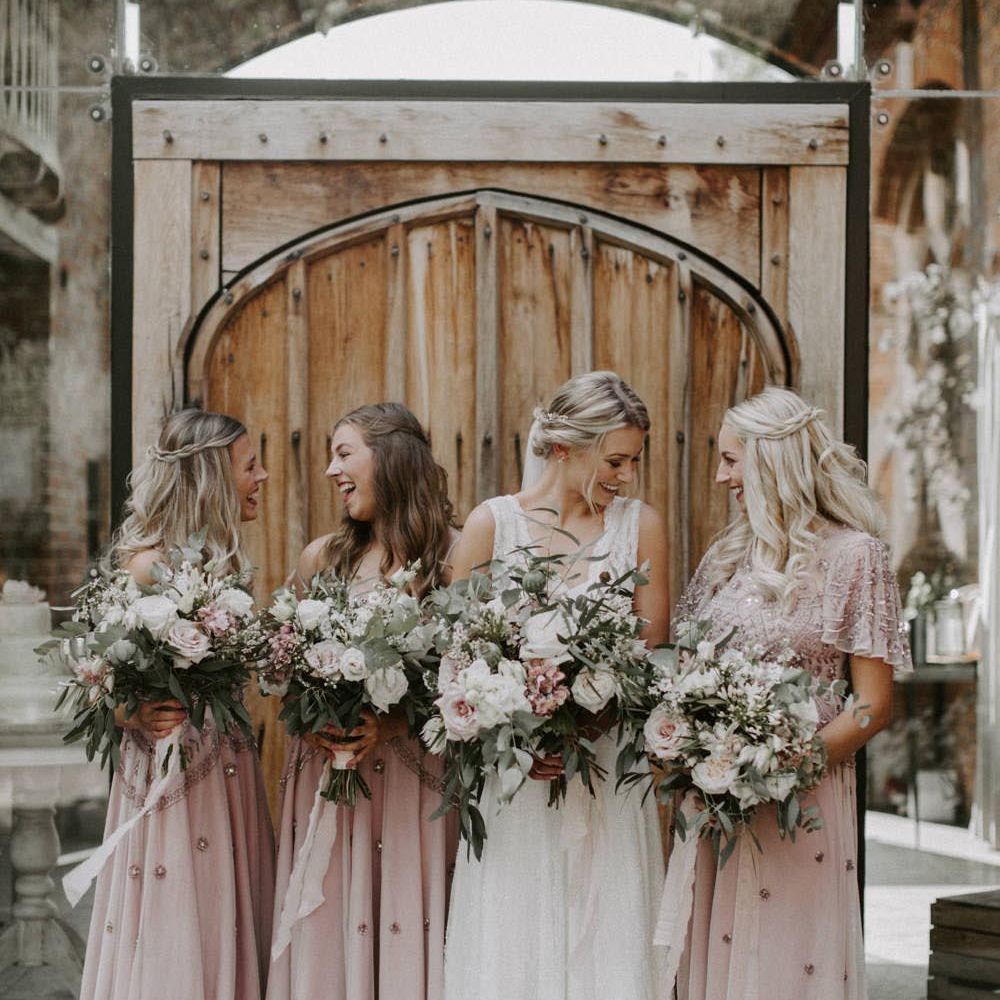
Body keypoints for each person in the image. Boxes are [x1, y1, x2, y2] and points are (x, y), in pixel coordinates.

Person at [673, 386, 911, 1000]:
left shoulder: (857, 558)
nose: (721, 476)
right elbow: (683, 670)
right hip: (717, 802)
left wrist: (781, 768)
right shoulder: (727, 556)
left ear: (772, 462)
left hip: (803, 799)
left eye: (731, 460)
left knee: (787, 960)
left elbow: (872, 704)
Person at [444, 371, 670, 1000]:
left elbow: (652, 653)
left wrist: (588, 718)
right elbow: (456, 655)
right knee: (515, 932)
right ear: (566, 448)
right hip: (517, 777)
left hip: (603, 770)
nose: (625, 476)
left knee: (608, 931)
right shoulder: (492, 525)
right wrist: (512, 727)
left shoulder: (639, 526)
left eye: (633, 462)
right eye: (616, 460)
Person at [79, 408, 275, 1000]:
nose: (262, 476)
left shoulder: (222, 567)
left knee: (224, 906)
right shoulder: (146, 568)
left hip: (224, 766)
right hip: (169, 779)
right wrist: (128, 712)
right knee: (175, 912)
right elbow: (91, 681)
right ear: (212, 478)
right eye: (250, 465)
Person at [267, 402, 459, 1000]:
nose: (331, 470)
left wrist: (398, 718)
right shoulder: (321, 558)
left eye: (344, 453)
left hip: (414, 781)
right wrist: (317, 713)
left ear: (393, 459)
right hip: (329, 776)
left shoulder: (452, 558)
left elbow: (471, 678)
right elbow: (285, 671)